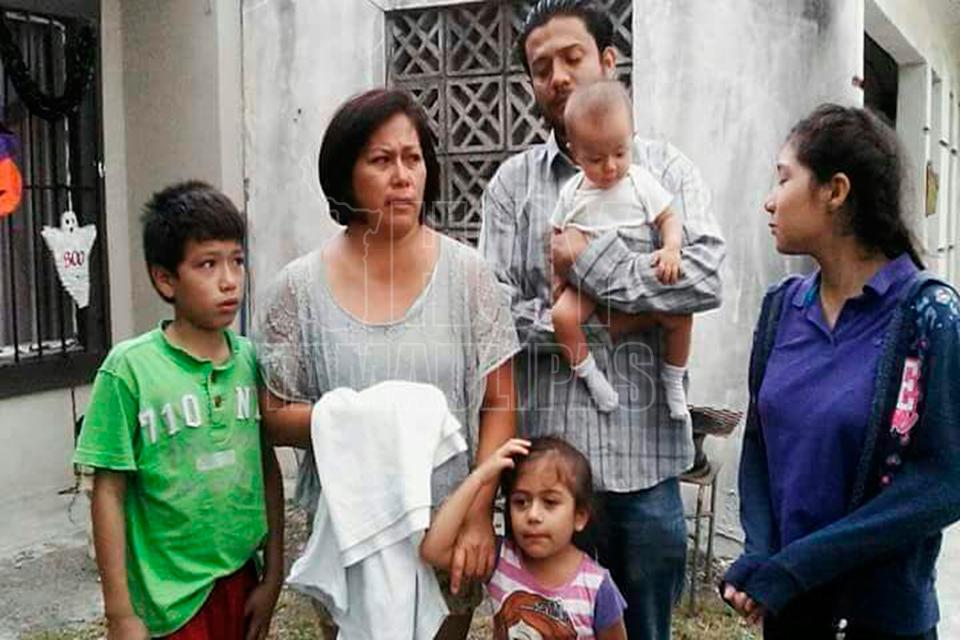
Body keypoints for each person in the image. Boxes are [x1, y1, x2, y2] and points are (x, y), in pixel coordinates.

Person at [479, 2, 725, 638]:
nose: (557, 76)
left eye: (572, 57)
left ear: (609, 61)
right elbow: (497, 314)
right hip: (549, 482)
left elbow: (704, 278)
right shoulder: (512, 186)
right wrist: (628, 320)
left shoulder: (666, 171)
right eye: (541, 68)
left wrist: (587, 261)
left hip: (647, 468)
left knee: (644, 630)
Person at [255, 88, 520, 639]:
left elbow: (499, 404)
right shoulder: (298, 290)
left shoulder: (469, 277)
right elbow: (273, 414)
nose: (402, 176)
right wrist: (371, 420)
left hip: (446, 536)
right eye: (381, 160)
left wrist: (479, 513)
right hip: (350, 540)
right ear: (345, 175)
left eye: (412, 158)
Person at [722, 104, 960, 639]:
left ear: (835, 191)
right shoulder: (781, 308)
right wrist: (760, 553)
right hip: (791, 614)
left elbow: (943, 481)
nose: (769, 200)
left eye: (784, 178)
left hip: (881, 623)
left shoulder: (928, 316)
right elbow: (759, 442)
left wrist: (799, 565)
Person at [73, 182, 284, 640]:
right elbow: (108, 492)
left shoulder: (251, 361)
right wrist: (120, 613)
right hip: (166, 598)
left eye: (237, 261)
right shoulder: (129, 370)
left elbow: (266, 467)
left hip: (240, 578)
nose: (229, 280)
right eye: (208, 264)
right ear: (166, 279)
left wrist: (273, 576)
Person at [549, 80, 692, 418]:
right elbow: (555, 236)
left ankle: (673, 378)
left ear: (632, 138)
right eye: (596, 159)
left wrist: (672, 249)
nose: (610, 166)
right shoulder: (572, 192)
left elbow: (669, 217)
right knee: (561, 317)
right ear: (574, 152)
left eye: (619, 153)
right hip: (588, 277)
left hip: (637, 270)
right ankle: (591, 375)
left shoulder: (639, 181)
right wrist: (556, 282)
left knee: (681, 317)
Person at [421, 437, 628, 640]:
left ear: (579, 516)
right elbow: (434, 550)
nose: (533, 515)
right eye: (521, 502)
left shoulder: (597, 587)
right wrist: (479, 478)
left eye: (550, 502)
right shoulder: (500, 560)